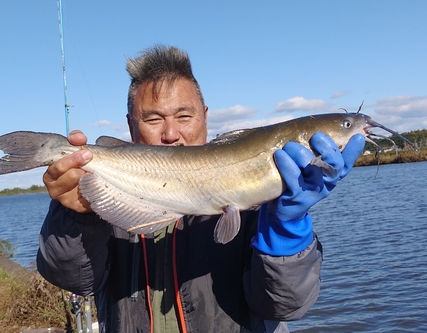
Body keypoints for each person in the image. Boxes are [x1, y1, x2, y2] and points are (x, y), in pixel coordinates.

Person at [36, 45, 365, 333]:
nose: (171, 133)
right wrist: (77, 216)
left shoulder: (264, 200)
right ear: (130, 126)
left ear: (205, 117)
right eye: (153, 120)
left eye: (184, 115)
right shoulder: (110, 195)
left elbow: (284, 307)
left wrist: (287, 232)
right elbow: (74, 280)